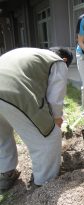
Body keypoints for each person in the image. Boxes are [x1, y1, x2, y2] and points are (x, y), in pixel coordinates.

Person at [0, 47, 73, 191]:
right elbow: (55, 100)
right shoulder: (58, 62)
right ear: (65, 60)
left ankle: (5, 174)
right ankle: (43, 185)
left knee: (2, 136)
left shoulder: (28, 53)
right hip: (11, 94)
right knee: (49, 138)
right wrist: (56, 120)